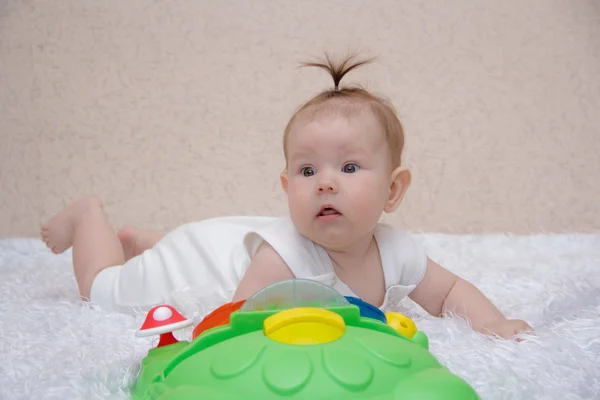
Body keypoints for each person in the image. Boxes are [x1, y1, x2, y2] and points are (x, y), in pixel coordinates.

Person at [41, 54, 533, 339]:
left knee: (216, 245)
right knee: (101, 291)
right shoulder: (283, 257)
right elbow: (231, 323)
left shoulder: (398, 251)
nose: (325, 182)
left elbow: (448, 293)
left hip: (226, 243)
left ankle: (142, 238)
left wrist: (492, 324)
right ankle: (90, 218)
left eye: (350, 166)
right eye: (306, 169)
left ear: (393, 190)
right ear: (287, 187)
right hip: (200, 263)